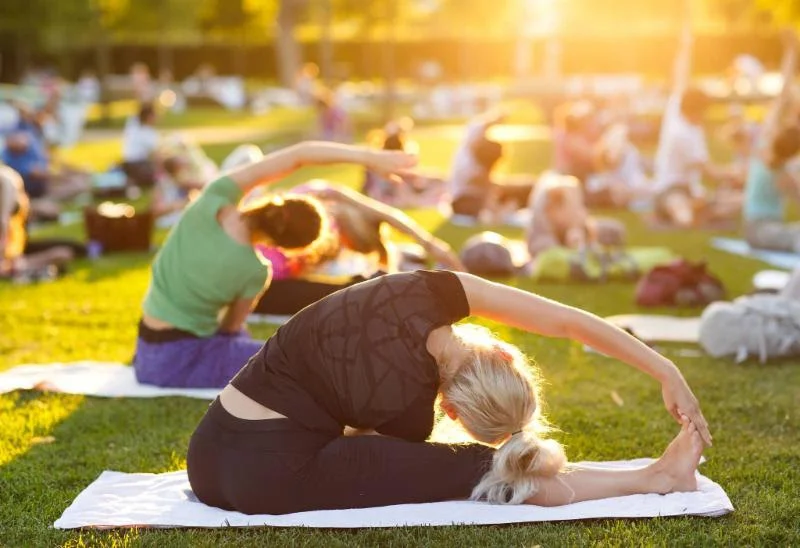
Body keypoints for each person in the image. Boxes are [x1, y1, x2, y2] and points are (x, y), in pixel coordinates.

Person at [187, 269, 712, 515]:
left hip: (206, 456)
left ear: (504, 354)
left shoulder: (431, 287)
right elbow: (363, 443)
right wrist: (663, 367)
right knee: (486, 472)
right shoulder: (408, 414)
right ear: (451, 409)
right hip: (269, 479)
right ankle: (657, 477)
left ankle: (659, 475)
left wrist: (666, 370)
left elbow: (566, 321)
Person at [133, 141, 416, 389]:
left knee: (269, 351)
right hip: (178, 361)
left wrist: (369, 157)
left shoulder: (215, 195)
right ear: (284, 246)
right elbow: (230, 330)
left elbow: (300, 154)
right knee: (295, 360)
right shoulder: (255, 271)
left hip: (145, 346)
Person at [253, 180, 464, 315]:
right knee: (349, 292)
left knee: (356, 288)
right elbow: (385, 214)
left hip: (270, 284)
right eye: (355, 244)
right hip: (257, 285)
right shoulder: (319, 197)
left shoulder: (327, 236)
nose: (348, 247)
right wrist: (429, 243)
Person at [651, 6, 737, 228]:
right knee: (684, 215)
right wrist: (735, 173)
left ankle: (704, 211)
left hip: (691, 191)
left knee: (732, 203)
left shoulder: (677, 111)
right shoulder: (681, 132)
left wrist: (686, 42)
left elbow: (680, 75)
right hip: (669, 192)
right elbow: (709, 172)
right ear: (694, 111)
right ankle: (697, 214)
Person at [742, 30, 800, 253]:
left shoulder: (764, 145)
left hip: (762, 229)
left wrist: (791, 53)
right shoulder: (782, 173)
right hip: (759, 231)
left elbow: (782, 96)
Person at [449, 109, 536, 221]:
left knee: (526, 185)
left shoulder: (470, 145)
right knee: (522, 191)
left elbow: (478, 125)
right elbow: (489, 194)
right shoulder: (471, 169)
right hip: (466, 200)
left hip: (479, 197)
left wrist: (498, 118)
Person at [0, 166, 78, 281]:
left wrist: (39, 208)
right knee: (62, 254)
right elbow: (4, 222)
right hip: (10, 256)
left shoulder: (8, 177)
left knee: (67, 251)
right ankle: (18, 269)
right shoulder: (7, 180)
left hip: (15, 250)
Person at [526, 173, 625, 258]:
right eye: (575, 207)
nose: (582, 211)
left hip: (574, 231)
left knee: (612, 230)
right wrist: (574, 248)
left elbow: (617, 231)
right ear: (553, 210)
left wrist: (589, 236)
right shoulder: (541, 238)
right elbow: (554, 258)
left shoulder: (580, 225)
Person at [121, 103, 160, 188]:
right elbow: (156, 154)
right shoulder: (148, 133)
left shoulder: (132, 125)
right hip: (138, 165)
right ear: (149, 117)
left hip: (126, 164)